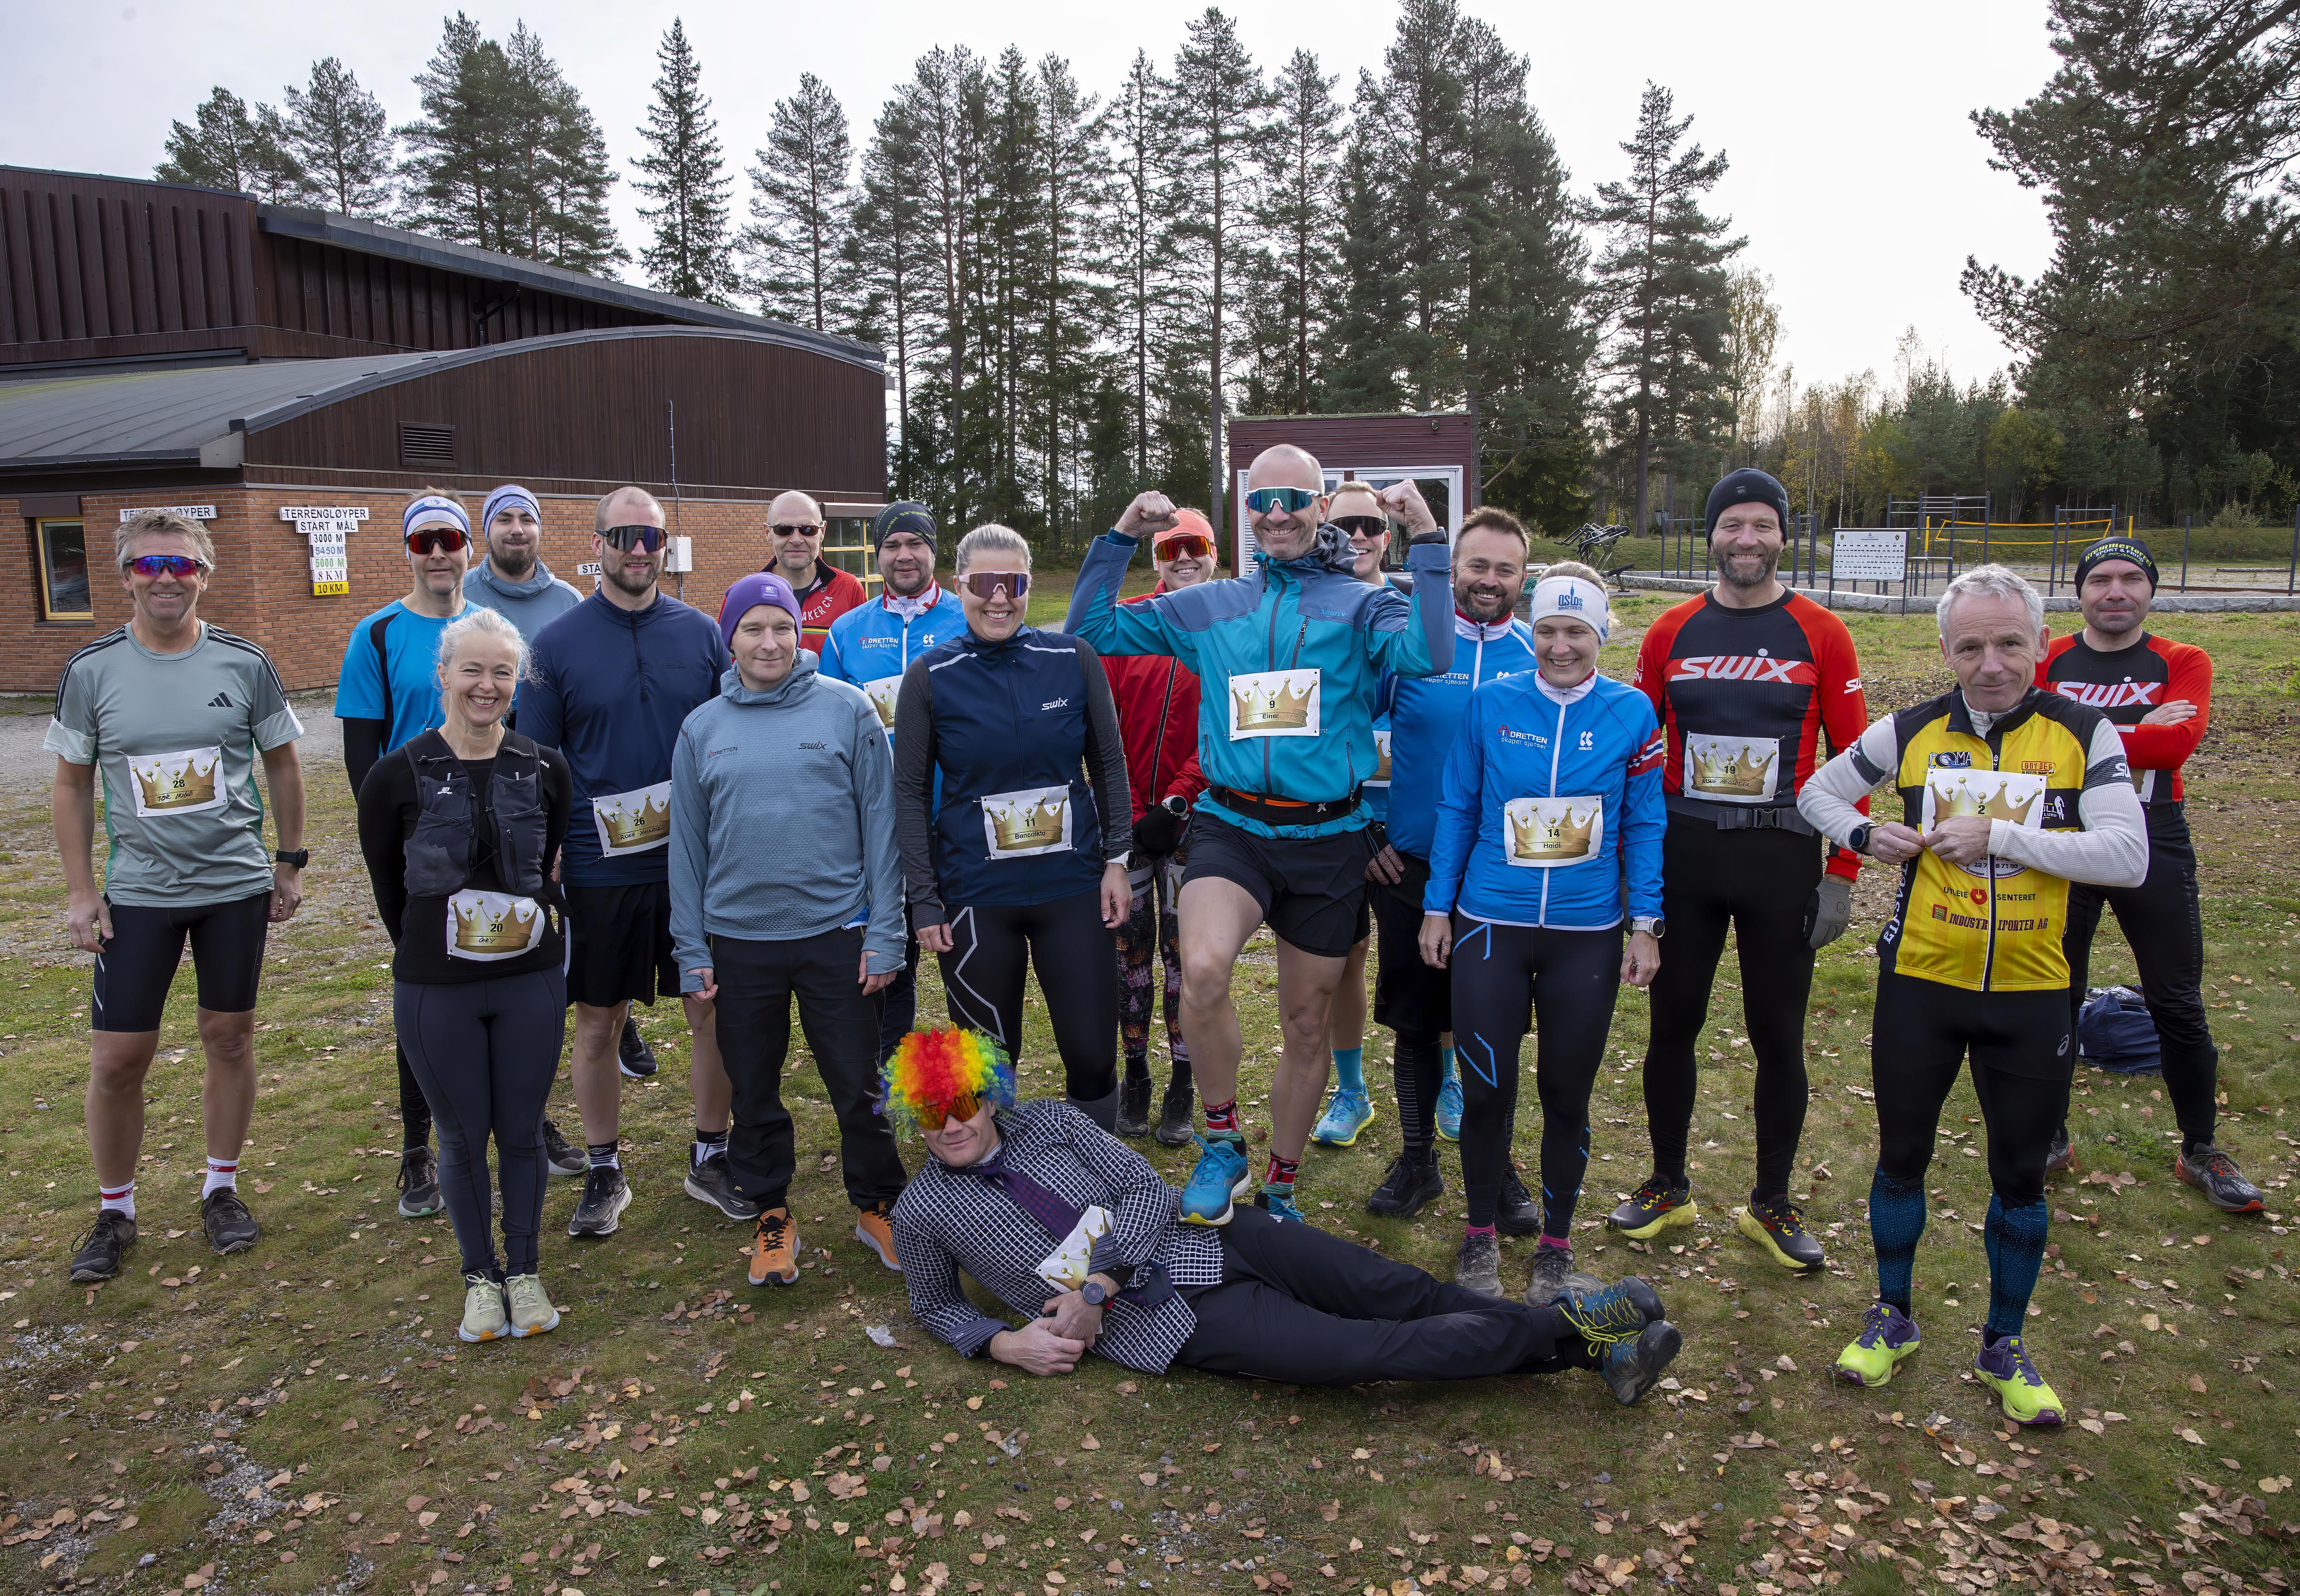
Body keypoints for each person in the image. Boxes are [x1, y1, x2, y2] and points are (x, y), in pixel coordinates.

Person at [1066, 447, 1455, 1224]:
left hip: (1325, 837)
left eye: (1293, 499)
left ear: (1318, 507)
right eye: (1262, 500)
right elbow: (1093, 628)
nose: (1276, 513)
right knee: (1203, 969)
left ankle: (1279, 1179)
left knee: (1307, 1021)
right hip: (1232, 825)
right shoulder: (1212, 606)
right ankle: (1221, 1145)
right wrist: (1117, 537)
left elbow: (1432, 653)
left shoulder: (1358, 603)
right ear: (1248, 511)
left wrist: (1430, 540)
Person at [1799, 564, 2146, 1427]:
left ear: (2041, 641)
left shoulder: (2084, 732)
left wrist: (2007, 837)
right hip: (1922, 983)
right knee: (1902, 1158)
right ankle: (1893, 1316)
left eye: (2009, 644)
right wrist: (1863, 831)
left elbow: (2127, 857)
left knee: (2021, 1177)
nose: (1990, 664)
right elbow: (1814, 791)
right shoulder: (1912, 729)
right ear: (1945, 649)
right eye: (1970, 646)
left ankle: (2005, 1341)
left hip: (2033, 993)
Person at [883, 1028, 1683, 1400]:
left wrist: (1095, 1285)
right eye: (931, 1113)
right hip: (1170, 1321)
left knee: (1396, 1288)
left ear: (990, 1093)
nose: (951, 1125)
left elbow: (1142, 1189)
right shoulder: (923, 1209)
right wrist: (1003, 1343)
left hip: (1215, 1237)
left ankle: (1589, 1342)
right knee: (1370, 1350)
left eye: (963, 1102)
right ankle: (1588, 1337)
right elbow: (933, 1303)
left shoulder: (1052, 1121)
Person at [1619, 468, 1871, 1273]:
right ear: (1713, 535)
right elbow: (1638, 749)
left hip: (1780, 855)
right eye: (1733, 526)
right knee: (1674, 1027)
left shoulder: (1823, 633)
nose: (1747, 540)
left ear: (1783, 537)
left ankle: (1771, 1200)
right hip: (1685, 855)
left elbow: (1855, 763)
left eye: (1763, 526)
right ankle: (1667, 1183)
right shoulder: (1669, 632)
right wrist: (1635, 873)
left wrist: (1841, 872)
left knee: (1778, 1035)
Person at [51, 509, 307, 1281]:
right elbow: (69, 784)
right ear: (126, 576)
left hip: (232, 886)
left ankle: (221, 1188)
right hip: (139, 893)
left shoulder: (244, 662)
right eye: (151, 566)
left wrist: (288, 864)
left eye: (182, 567)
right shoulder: (92, 670)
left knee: (229, 1038)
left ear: (206, 575)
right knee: (119, 1058)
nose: (167, 580)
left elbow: (286, 766)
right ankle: (115, 1209)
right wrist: (80, 891)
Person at [1420, 563, 1665, 1301]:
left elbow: (1645, 821)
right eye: (1550, 630)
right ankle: (1480, 1235)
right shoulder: (1492, 702)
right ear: (1535, 631)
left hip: (1586, 930)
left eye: (1577, 632)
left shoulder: (1634, 713)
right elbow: (1458, 806)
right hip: (1490, 922)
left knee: (1567, 1094)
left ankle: (1556, 1245)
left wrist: (1647, 922)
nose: (1561, 646)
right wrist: (1438, 905)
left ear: (1601, 635)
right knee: (1487, 1092)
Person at [672, 572, 910, 1286]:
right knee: (754, 1088)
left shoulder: (849, 711)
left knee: (856, 1081)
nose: (769, 641)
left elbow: (883, 829)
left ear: (799, 633)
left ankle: (879, 1202)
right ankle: (772, 1211)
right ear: (731, 638)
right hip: (740, 940)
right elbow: (686, 851)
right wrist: (691, 948)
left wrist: (886, 931)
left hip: (836, 931)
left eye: (781, 626)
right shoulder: (702, 728)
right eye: (753, 628)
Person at [523, 486, 737, 1237]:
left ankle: (712, 1154)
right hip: (598, 866)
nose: (639, 552)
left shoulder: (704, 635)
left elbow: (730, 740)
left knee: (709, 1008)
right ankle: (605, 1168)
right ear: (598, 545)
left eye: (652, 539)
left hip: (693, 863)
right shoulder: (555, 646)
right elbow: (541, 762)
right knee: (597, 1021)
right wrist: (547, 853)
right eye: (624, 538)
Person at [356, 607, 572, 1343]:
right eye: (472, 669)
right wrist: (431, 950)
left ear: (518, 682)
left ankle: (524, 1270)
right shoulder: (396, 774)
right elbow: (389, 884)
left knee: (520, 1129)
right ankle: (479, 1277)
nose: (487, 685)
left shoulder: (544, 766)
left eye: (502, 672)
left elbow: (549, 867)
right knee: (458, 1135)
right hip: (436, 985)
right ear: (443, 675)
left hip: (530, 978)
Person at [2040, 538, 2260, 1211]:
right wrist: (2138, 721)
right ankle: (2048, 1133)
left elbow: (2175, 744)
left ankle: (2200, 1149)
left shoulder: (2184, 660)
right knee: (2053, 991)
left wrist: (2083, 727)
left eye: (2131, 578)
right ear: (2079, 592)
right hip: (2062, 833)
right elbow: (2032, 736)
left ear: (2150, 590)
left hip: (2152, 829)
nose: (2115, 590)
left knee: (2177, 1000)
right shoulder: (2049, 657)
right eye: (2100, 578)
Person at [893, 525, 1132, 1126]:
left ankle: (1097, 1172)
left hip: (1071, 886)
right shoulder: (930, 676)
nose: (998, 598)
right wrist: (923, 898)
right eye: (984, 584)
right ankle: (991, 1190)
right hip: (976, 896)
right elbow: (910, 792)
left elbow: (1107, 763)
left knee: (1092, 1052)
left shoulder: (1072, 659)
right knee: (988, 1062)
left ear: (1028, 586)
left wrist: (1117, 861)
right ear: (960, 587)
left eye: (1013, 583)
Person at [1359, 508, 1541, 1222]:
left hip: (1503, 877)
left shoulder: (1536, 653)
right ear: (1453, 568)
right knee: (1416, 1023)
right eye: (1477, 566)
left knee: (1491, 1028)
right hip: (1410, 866)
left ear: (1523, 577)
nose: (1489, 581)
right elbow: (1350, 732)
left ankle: (1497, 1172)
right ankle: (1417, 1160)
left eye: (1505, 569)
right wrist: (1364, 829)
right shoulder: (1408, 648)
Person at [461, 482, 629, 1149]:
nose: (516, 529)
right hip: (471, 800)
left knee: (549, 979)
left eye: (526, 517)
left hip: (551, 803)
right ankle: (471, 1129)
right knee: (491, 975)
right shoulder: (464, 604)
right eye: (503, 518)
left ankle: (537, 1117)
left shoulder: (567, 606)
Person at [335, 490, 475, 1221]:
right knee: (423, 985)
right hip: (417, 835)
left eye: (450, 538)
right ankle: (418, 1146)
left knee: (506, 972)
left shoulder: (491, 626)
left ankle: (523, 1122)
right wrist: (388, 840)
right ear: (409, 551)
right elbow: (364, 751)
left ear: (468, 545)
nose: (440, 553)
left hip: (494, 828)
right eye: (425, 542)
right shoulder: (379, 632)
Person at [818, 501, 971, 1064]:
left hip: (955, 817)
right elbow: (827, 726)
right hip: (876, 823)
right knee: (890, 956)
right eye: (891, 545)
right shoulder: (846, 631)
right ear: (878, 554)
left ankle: (978, 1092)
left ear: (934, 550)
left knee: (966, 955)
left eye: (916, 544)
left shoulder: (967, 616)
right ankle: (888, 1086)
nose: (904, 555)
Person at [1102, 511, 1215, 1143]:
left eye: (1196, 546)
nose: (1185, 557)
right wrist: (1123, 810)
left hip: (1195, 820)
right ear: (1156, 557)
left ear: (1215, 553)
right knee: (1130, 954)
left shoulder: (1228, 623)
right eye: (1172, 548)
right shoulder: (1131, 621)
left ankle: (1182, 1080)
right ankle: (1136, 1071)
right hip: (1127, 820)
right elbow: (1104, 722)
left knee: (1186, 958)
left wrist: (1178, 801)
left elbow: (1225, 728)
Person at [1308, 482, 1395, 1150]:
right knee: (1345, 964)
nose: (1357, 536)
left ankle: (1448, 1079)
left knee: (1436, 959)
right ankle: (1353, 1090)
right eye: (1343, 525)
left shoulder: (1413, 615)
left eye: (1369, 524)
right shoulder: (1310, 612)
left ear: (1387, 535)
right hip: (1341, 824)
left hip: (1413, 826)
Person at [723, 489, 866, 652]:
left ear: (822, 532)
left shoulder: (848, 588)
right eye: (784, 530)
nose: (797, 540)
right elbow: (733, 667)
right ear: (768, 533)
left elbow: (860, 657)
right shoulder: (740, 595)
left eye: (808, 529)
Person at [462, 483, 583, 640]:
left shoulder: (570, 602)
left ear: (539, 531)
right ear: (487, 530)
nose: (517, 530)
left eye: (527, 520)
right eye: (505, 520)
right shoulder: (460, 594)